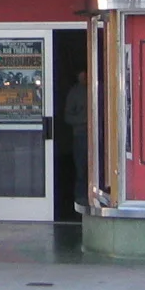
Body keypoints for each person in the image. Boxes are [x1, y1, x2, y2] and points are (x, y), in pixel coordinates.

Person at [63, 69, 89, 201]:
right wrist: (84, 120)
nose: (84, 76)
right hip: (81, 135)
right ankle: (80, 199)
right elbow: (67, 117)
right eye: (82, 74)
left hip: (100, 136)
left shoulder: (100, 89)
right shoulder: (74, 93)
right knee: (81, 169)